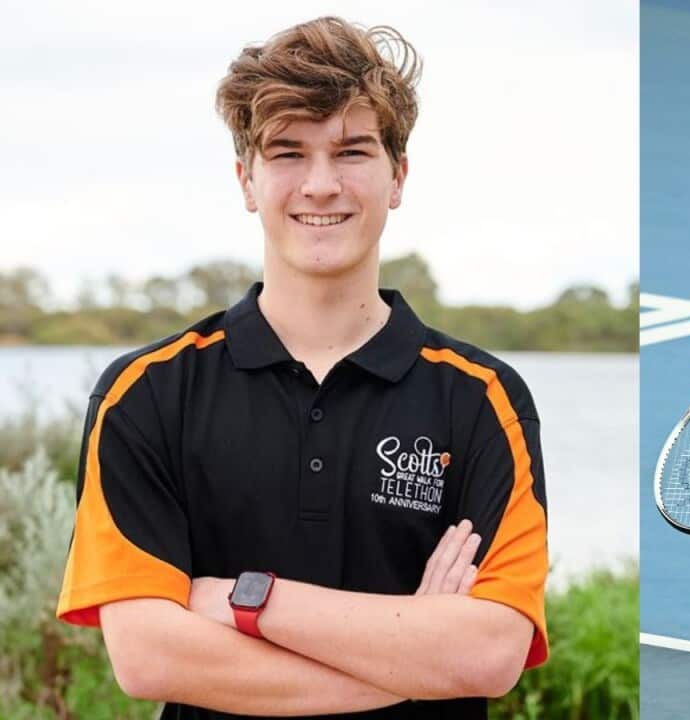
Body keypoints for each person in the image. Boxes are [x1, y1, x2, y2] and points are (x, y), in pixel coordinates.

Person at [55, 17, 547, 717]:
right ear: (247, 179)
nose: (321, 185)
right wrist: (418, 655)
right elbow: (147, 655)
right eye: (287, 153)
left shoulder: (483, 398)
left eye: (351, 151)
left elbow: (491, 652)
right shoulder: (147, 393)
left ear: (397, 176)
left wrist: (242, 599)